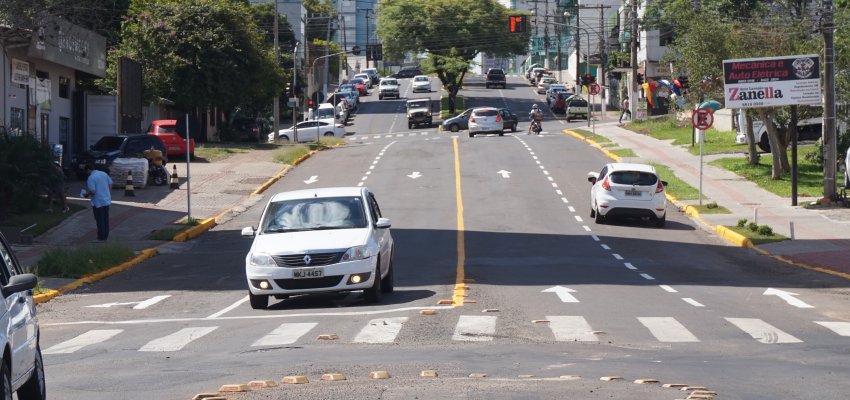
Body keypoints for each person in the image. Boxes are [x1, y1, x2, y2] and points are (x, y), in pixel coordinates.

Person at [82, 163, 113, 241]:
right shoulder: (103, 173)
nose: (86, 173)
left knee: (99, 219)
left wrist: (86, 194)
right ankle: (105, 236)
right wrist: (107, 193)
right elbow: (110, 183)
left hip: (98, 202)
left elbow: (93, 192)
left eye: (86, 172)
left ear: (88, 170)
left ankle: (101, 237)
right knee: (105, 219)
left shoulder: (91, 178)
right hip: (106, 200)